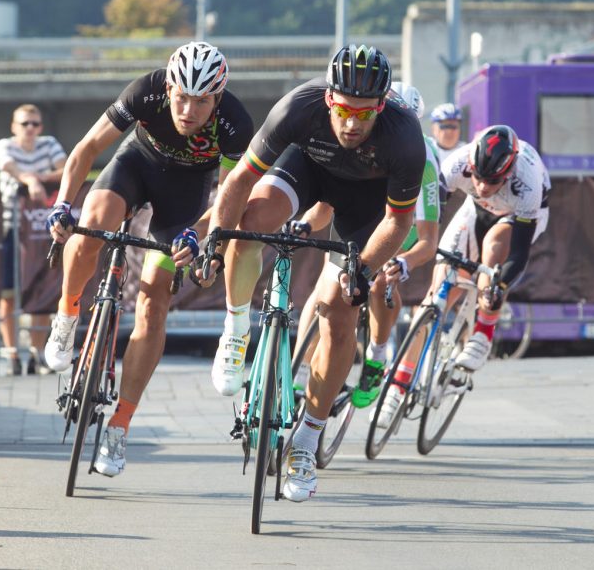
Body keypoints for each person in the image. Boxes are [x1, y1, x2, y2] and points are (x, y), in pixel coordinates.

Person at [202, 44, 426, 502]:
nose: (351, 122)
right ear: (328, 98)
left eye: (364, 114)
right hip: (307, 168)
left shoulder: (404, 136)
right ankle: (237, 328)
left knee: (340, 311)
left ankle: (306, 441)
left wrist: (362, 269)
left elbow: (399, 222)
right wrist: (216, 239)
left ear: (381, 107)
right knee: (251, 224)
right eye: (343, 109)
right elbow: (240, 180)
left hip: (366, 202)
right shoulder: (298, 107)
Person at [44, 42, 254, 476]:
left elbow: (230, 195)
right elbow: (85, 149)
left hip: (187, 195)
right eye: (181, 97)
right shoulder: (146, 91)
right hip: (135, 165)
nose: (188, 109)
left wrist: (199, 236)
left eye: (201, 102)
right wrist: (63, 204)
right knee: (89, 232)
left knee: (153, 304)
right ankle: (66, 314)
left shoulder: (235, 123)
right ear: (169, 87)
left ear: (217, 99)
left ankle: (120, 426)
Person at [289, 82, 442, 409]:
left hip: (401, 232)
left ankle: (377, 354)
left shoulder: (423, 161)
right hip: (360, 220)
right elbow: (326, 206)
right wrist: (302, 226)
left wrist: (404, 262)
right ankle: (299, 373)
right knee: (321, 294)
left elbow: (428, 241)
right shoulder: (358, 145)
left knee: (380, 283)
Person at [413, 125, 551, 378]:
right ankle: (400, 378)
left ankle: (483, 334)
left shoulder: (527, 183)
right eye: (477, 177)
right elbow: (431, 218)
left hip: (518, 215)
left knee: (494, 247)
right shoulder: (456, 164)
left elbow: (518, 254)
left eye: (493, 180)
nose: (483, 185)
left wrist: (499, 286)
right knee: (436, 296)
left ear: (509, 173)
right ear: (470, 164)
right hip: (476, 209)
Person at [0, 104, 67, 376]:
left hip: (40, 229)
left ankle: (37, 354)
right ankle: (12, 352)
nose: (30, 129)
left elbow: (66, 167)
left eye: (35, 124)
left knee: (42, 291)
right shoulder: (5, 146)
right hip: (12, 228)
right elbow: (9, 167)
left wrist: (39, 178)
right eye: (24, 124)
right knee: (9, 292)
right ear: (14, 126)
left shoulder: (48, 144)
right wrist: (28, 179)